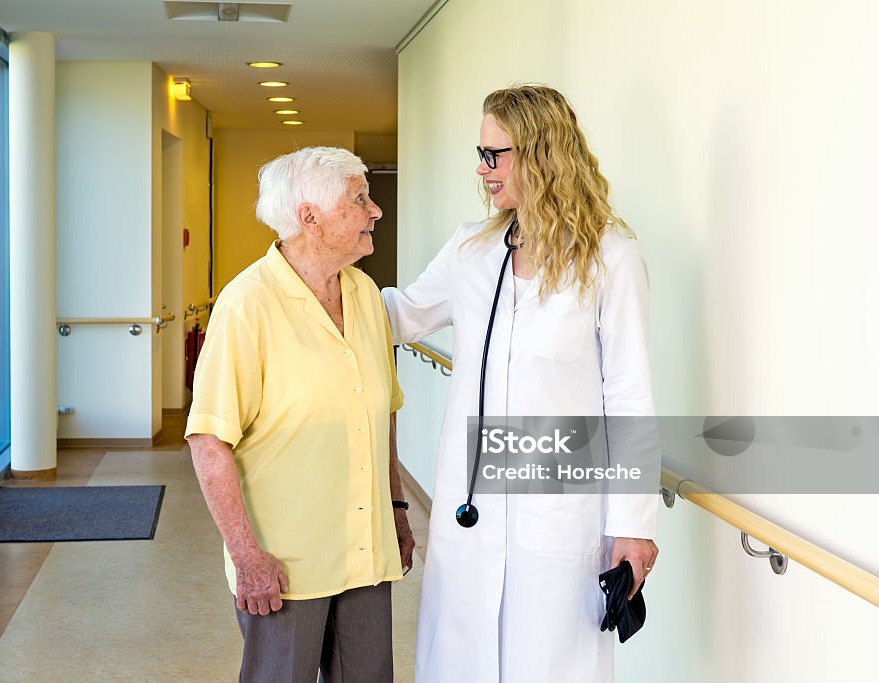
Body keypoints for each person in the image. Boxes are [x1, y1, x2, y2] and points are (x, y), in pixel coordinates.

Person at [383, 85, 660, 681]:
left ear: (541, 153)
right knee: (462, 654)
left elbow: (631, 397)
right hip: (475, 503)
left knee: (550, 659)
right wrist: (313, 280)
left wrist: (634, 527)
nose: (483, 169)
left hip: (559, 507)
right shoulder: (471, 249)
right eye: (480, 153)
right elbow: (401, 314)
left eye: (496, 154)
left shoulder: (610, 258)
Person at [186, 146, 415, 683]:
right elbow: (208, 441)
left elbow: (380, 420)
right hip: (284, 567)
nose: (375, 211)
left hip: (364, 552)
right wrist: (247, 557)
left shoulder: (363, 294)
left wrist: (397, 510)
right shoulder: (247, 304)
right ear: (309, 218)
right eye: (359, 200)